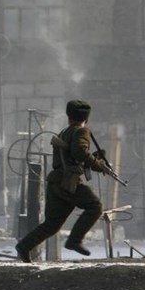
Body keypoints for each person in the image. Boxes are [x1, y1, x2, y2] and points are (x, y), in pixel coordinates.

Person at [15, 100, 108, 263]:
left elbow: (74, 156)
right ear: (86, 118)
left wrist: (93, 160)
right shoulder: (81, 132)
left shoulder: (64, 132)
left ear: (69, 116)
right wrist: (99, 165)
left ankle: (24, 246)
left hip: (56, 183)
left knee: (52, 224)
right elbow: (79, 152)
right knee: (95, 206)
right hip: (68, 183)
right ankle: (74, 240)